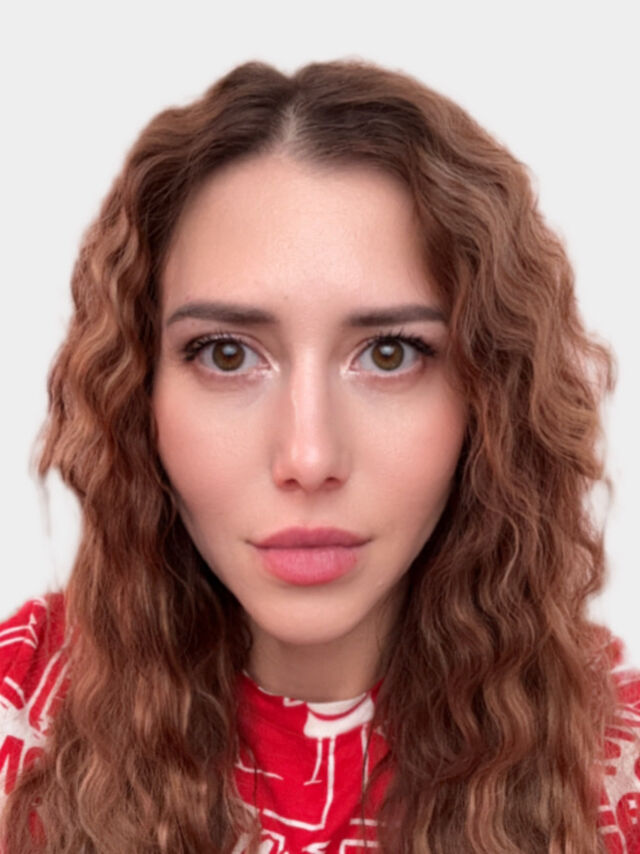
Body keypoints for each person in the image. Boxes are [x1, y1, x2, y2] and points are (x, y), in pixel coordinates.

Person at [0, 57, 638, 854]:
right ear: (138, 394)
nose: (308, 457)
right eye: (227, 354)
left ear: (490, 396)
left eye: (391, 353)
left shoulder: (617, 772)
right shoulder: (18, 712)